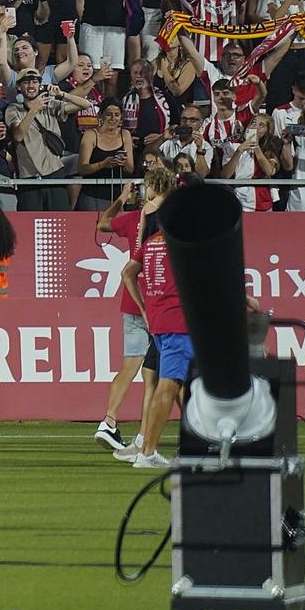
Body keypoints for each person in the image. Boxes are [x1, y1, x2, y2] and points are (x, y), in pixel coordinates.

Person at [118, 173, 186, 469]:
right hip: (178, 322)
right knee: (169, 385)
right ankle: (147, 452)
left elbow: (127, 273)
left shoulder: (153, 242)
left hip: (158, 321)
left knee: (176, 383)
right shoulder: (181, 244)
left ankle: (199, 442)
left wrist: (144, 308)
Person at [95, 175, 163, 454]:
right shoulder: (168, 219)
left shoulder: (134, 217)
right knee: (157, 375)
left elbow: (102, 225)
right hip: (160, 301)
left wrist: (121, 198)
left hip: (133, 301)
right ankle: (145, 437)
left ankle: (108, 422)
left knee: (131, 365)